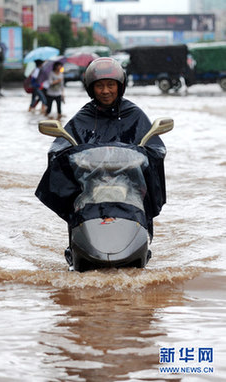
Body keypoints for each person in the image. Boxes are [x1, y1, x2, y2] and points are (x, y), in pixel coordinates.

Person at [36, 57, 167, 265]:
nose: (105, 91)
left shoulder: (134, 115)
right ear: (91, 88)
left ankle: (142, 244)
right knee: (75, 204)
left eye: (110, 85)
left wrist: (144, 155)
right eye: (100, 86)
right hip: (91, 188)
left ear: (120, 86)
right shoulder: (83, 117)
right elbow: (60, 147)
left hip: (129, 188)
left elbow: (155, 146)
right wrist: (69, 156)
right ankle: (75, 246)